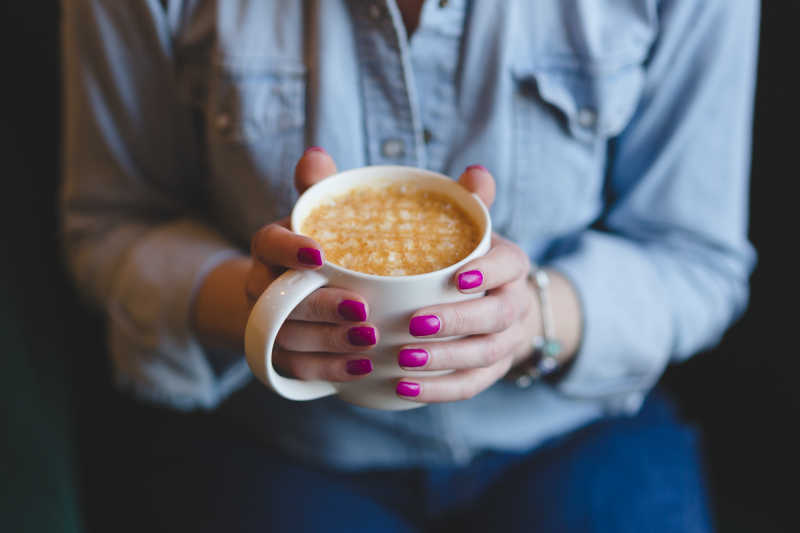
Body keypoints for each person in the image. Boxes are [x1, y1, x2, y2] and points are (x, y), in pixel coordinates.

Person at [60, 0, 758, 531]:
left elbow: (693, 255)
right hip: (280, 439)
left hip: (575, 428)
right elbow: (114, 225)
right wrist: (254, 310)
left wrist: (532, 317)